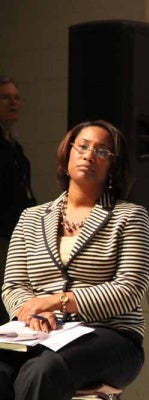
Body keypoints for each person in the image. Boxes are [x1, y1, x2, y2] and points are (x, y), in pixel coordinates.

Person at [0, 120, 149, 399]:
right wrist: (32, 311)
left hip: (110, 336)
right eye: (82, 146)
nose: (89, 154)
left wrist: (58, 300)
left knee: (42, 370)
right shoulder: (31, 218)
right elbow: (13, 285)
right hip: (38, 334)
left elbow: (130, 290)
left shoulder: (130, 216)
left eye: (102, 151)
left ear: (113, 165)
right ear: (68, 153)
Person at [0, 76, 36, 324]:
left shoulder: (14, 145)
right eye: (6, 97)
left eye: (16, 97)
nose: (13, 103)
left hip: (15, 233)